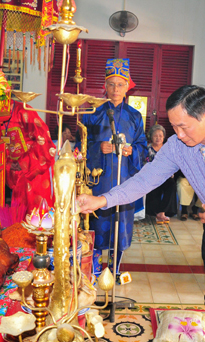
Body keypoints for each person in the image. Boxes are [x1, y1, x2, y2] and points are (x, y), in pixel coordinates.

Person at [77, 85, 205, 342]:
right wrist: (101, 199)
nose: (179, 134)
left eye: (184, 126)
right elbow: (144, 181)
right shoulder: (176, 147)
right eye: (174, 126)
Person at [81, 58, 148, 278]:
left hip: (124, 179)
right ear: (105, 86)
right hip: (100, 181)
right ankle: (96, 268)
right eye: (111, 84)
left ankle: (115, 268)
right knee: (98, 225)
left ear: (128, 86)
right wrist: (98, 147)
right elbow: (81, 147)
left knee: (121, 226)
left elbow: (142, 146)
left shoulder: (135, 116)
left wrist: (131, 151)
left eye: (120, 84)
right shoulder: (93, 113)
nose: (115, 89)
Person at [2, 100, 56, 217]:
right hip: (16, 174)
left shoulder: (23, 111)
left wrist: (24, 163)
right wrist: (9, 165)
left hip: (36, 170)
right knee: (19, 217)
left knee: (38, 215)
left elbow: (44, 139)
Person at [145, 124, 177, 223]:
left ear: (164, 137)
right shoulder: (147, 149)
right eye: (155, 135)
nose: (158, 138)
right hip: (152, 176)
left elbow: (173, 164)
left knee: (171, 186)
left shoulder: (168, 149)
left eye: (160, 136)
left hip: (166, 176)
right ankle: (156, 212)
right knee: (154, 187)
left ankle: (161, 212)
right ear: (151, 137)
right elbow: (145, 164)